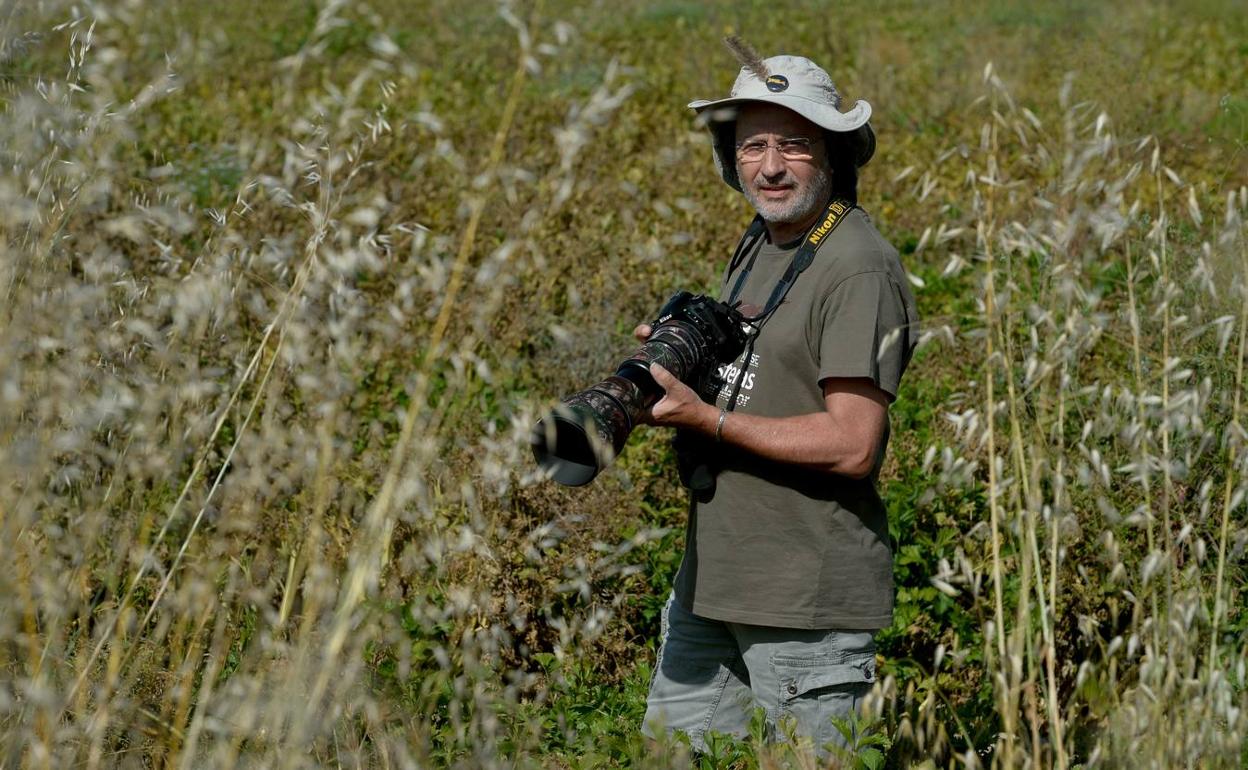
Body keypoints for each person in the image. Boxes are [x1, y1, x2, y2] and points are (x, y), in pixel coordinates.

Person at [635, 43, 920, 757]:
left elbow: (855, 444)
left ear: (834, 153)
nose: (769, 166)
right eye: (753, 144)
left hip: (804, 605)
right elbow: (761, 368)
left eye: (793, 145)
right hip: (713, 586)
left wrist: (710, 420)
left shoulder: (857, 266)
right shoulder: (764, 239)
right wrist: (678, 365)